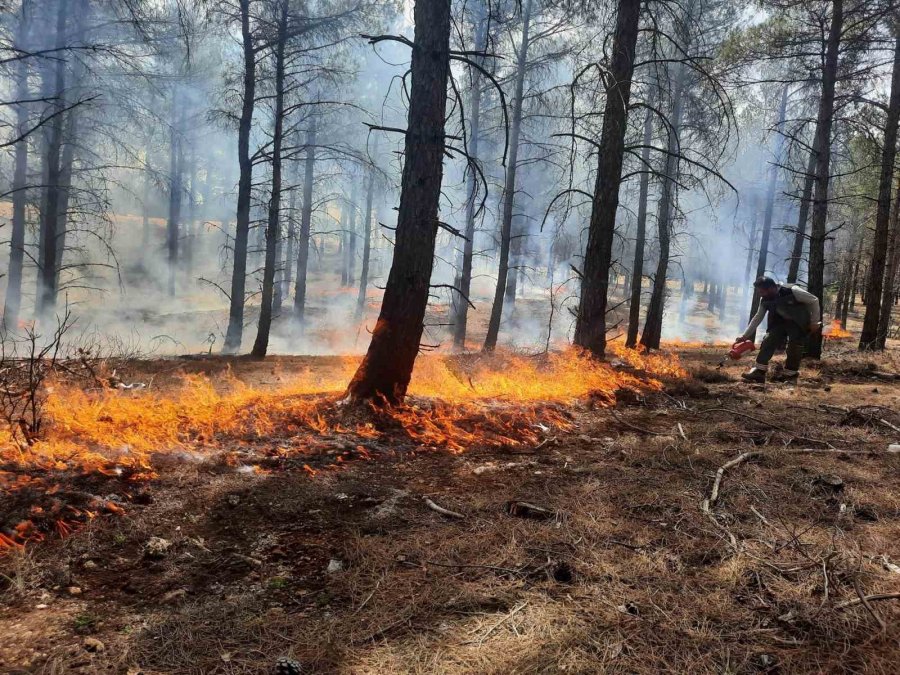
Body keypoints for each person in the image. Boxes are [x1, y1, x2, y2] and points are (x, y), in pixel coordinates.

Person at [738, 276, 821, 383]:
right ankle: (759, 371)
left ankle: (790, 375)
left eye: (762, 291)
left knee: (795, 346)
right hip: (779, 322)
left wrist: (814, 322)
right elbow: (758, 317)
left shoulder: (792, 290)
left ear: (772, 288)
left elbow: (814, 300)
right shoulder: (765, 299)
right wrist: (744, 336)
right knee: (768, 340)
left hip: (798, 322)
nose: (761, 294)